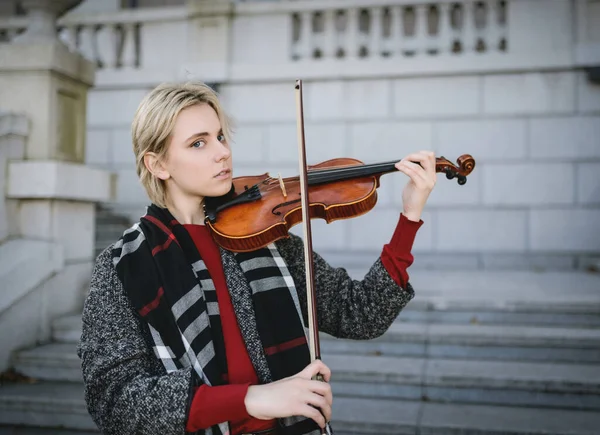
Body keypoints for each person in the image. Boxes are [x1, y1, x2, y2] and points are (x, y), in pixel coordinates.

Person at [77, 81, 436, 435]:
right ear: (158, 164)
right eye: (198, 143)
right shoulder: (124, 266)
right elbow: (113, 400)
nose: (222, 152)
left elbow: (360, 315)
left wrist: (410, 216)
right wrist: (251, 399)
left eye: (220, 136)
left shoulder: (264, 236)